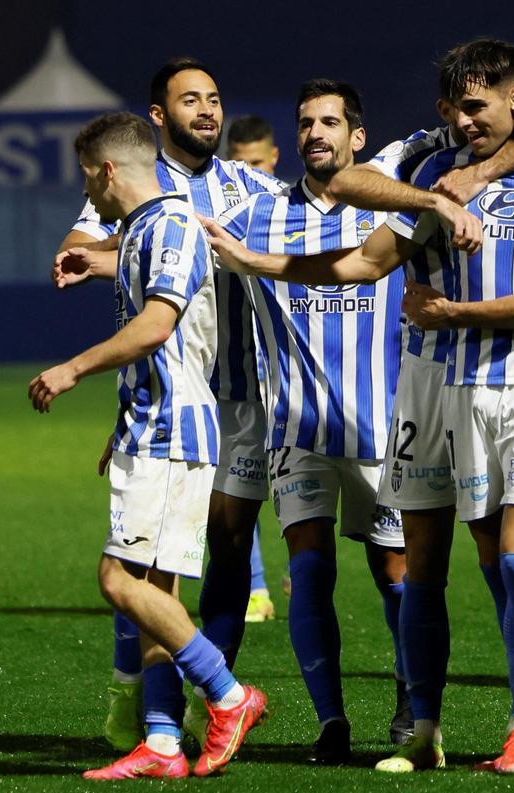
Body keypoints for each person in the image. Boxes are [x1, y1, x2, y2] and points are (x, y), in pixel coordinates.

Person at [202, 44, 514, 775]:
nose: (466, 121)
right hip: (439, 388)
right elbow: (355, 217)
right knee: (448, 561)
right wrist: (437, 196)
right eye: (456, 108)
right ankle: (435, 726)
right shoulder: (424, 161)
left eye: (481, 106)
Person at [52, 58, 284, 753]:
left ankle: (212, 697)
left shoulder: (248, 185)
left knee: (215, 552)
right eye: (191, 100)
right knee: (153, 569)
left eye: (214, 98)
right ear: (159, 116)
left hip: (237, 398)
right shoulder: (137, 184)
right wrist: (100, 251)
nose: (208, 111)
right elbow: (77, 242)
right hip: (172, 399)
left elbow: (301, 231)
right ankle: (161, 713)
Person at [214, 79, 410, 764]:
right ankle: (331, 721)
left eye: (330, 122)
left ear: (358, 137)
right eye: (305, 122)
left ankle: (411, 703)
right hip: (294, 428)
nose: (315, 132)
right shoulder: (259, 215)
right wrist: (103, 256)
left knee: (395, 571)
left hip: (381, 426)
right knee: (310, 566)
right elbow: (183, 245)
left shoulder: (389, 211)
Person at [226, 114, 282, 623]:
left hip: (288, 374)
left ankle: (297, 572)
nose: (251, 173)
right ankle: (258, 587)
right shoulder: (225, 216)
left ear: (274, 159)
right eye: (241, 164)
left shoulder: (287, 209)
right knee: (242, 486)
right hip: (236, 377)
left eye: (258, 163)